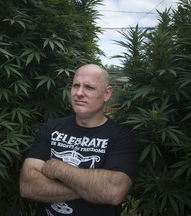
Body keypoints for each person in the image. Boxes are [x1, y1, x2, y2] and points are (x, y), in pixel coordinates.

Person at [19, 64, 140, 216]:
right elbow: (28, 186)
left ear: (107, 93)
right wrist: (91, 188)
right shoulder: (51, 129)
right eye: (76, 86)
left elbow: (113, 191)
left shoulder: (121, 137)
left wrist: (57, 167)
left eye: (89, 87)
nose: (79, 93)